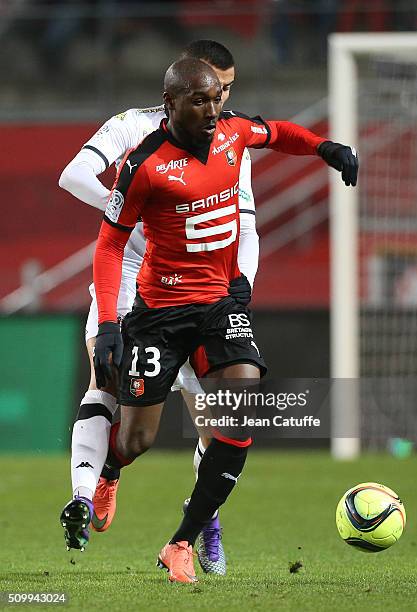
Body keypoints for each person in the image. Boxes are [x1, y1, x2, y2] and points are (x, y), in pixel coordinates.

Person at [90, 58, 358, 583]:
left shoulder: (234, 132)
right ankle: (110, 469)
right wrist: (107, 324)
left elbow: (278, 132)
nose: (213, 110)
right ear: (170, 104)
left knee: (241, 412)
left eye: (216, 99)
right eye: (200, 101)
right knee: (137, 437)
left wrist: (324, 148)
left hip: (219, 305)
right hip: (159, 314)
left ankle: (181, 541)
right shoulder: (142, 165)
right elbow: (109, 243)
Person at [58, 40, 258, 575]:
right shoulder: (131, 128)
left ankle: (201, 524)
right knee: (109, 380)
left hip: (204, 286)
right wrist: (133, 214)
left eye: (229, 91)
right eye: (213, 89)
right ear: (182, 86)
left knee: (219, 413)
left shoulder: (228, 141)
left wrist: (241, 286)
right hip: (132, 275)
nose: (222, 102)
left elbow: (245, 224)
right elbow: (73, 175)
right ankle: (90, 487)